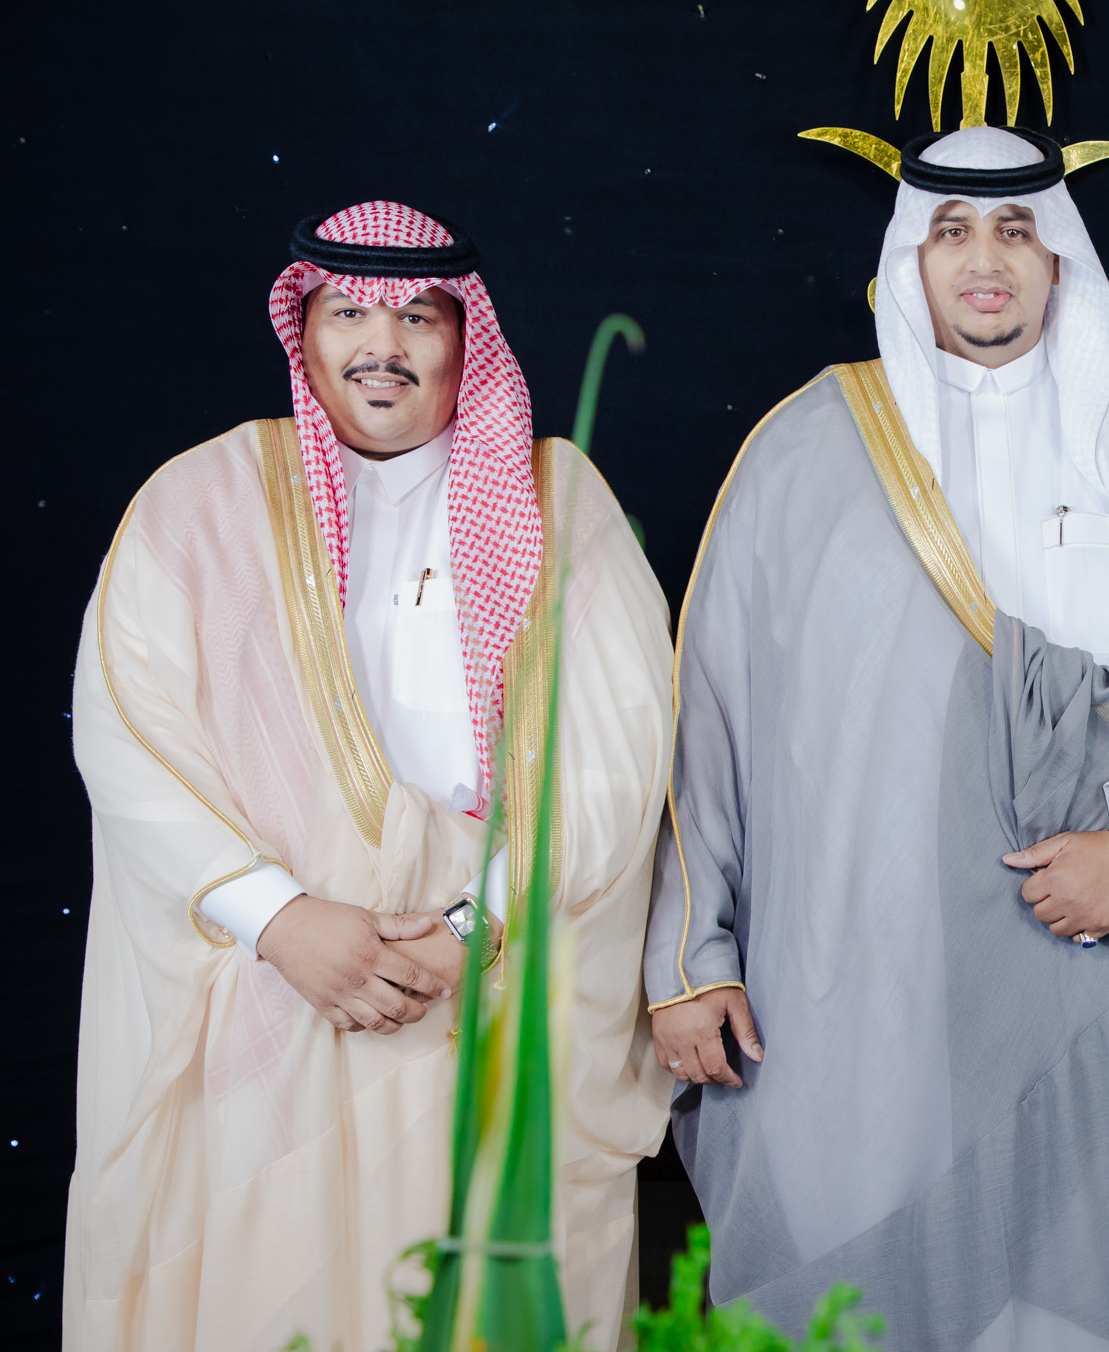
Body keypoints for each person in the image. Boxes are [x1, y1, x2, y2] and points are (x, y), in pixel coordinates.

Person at [643, 127, 1109, 1349]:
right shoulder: (806, 449)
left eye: (1014, 230)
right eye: (950, 231)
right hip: (871, 989)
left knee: (1083, 1308)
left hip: (1101, 956)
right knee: (881, 1304)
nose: (984, 261)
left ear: (1060, 257)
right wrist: (693, 958)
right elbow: (711, 723)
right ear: (911, 257)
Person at [64, 201, 675, 1351]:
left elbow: (617, 759)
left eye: (416, 316)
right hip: (275, 993)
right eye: (348, 312)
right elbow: (126, 734)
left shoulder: (558, 501)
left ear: (463, 336)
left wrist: (469, 929)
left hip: (486, 996)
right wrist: (281, 921)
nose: (379, 344)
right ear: (303, 329)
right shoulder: (198, 503)